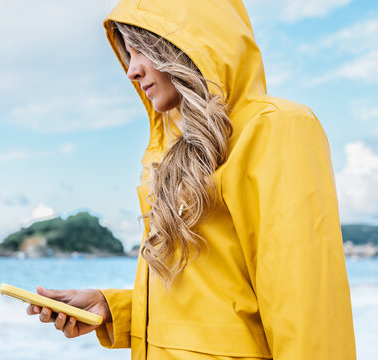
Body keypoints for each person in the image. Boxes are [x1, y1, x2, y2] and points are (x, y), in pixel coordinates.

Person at [26, 0, 357, 359]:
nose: (131, 71)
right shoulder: (172, 153)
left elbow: (309, 309)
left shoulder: (275, 129)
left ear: (183, 46)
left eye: (141, 50)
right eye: (127, 52)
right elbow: (213, 305)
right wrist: (112, 308)